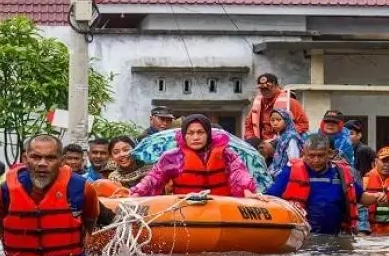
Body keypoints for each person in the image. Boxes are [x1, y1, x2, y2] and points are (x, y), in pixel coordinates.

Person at [0, 134, 115, 256]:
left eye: (50, 158)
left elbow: (90, 219)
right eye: (35, 157)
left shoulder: (83, 189)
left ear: (61, 161)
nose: (42, 163)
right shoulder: (3, 192)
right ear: (25, 158)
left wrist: (85, 240)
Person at [266, 134, 385, 236]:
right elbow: (270, 198)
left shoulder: (341, 173)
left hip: (337, 236)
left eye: (320, 155)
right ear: (303, 153)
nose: (316, 160)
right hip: (303, 237)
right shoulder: (291, 171)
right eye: (311, 156)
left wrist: (377, 197)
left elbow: (362, 197)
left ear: (330, 153)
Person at [130, 114, 258, 197]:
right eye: (190, 133)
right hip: (187, 209)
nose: (195, 137)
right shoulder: (172, 157)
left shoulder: (226, 153)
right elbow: (154, 178)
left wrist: (247, 191)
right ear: (184, 135)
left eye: (200, 132)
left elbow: (239, 173)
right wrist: (136, 193)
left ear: (208, 134)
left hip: (223, 207)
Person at [244, 73, 309, 140]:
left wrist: (285, 136)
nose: (265, 91)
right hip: (261, 143)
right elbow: (249, 125)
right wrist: (250, 138)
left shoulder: (290, 102)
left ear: (277, 86)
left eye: (268, 88)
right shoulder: (258, 103)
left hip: (283, 142)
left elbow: (303, 124)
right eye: (262, 89)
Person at [267, 108, 304, 178]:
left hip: (287, 176)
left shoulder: (291, 138)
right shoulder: (282, 136)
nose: (275, 123)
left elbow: (294, 161)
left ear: (286, 120)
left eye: (279, 120)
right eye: (272, 120)